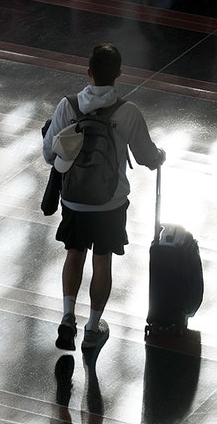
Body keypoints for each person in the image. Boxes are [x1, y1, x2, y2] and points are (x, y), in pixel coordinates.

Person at [42, 43, 165, 354]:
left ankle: (68, 317)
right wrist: (159, 156)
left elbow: (48, 154)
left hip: (73, 201)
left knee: (74, 254)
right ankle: (93, 328)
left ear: (88, 72)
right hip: (110, 203)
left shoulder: (68, 106)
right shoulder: (128, 112)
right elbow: (146, 156)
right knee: (102, 261)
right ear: (119, 75)